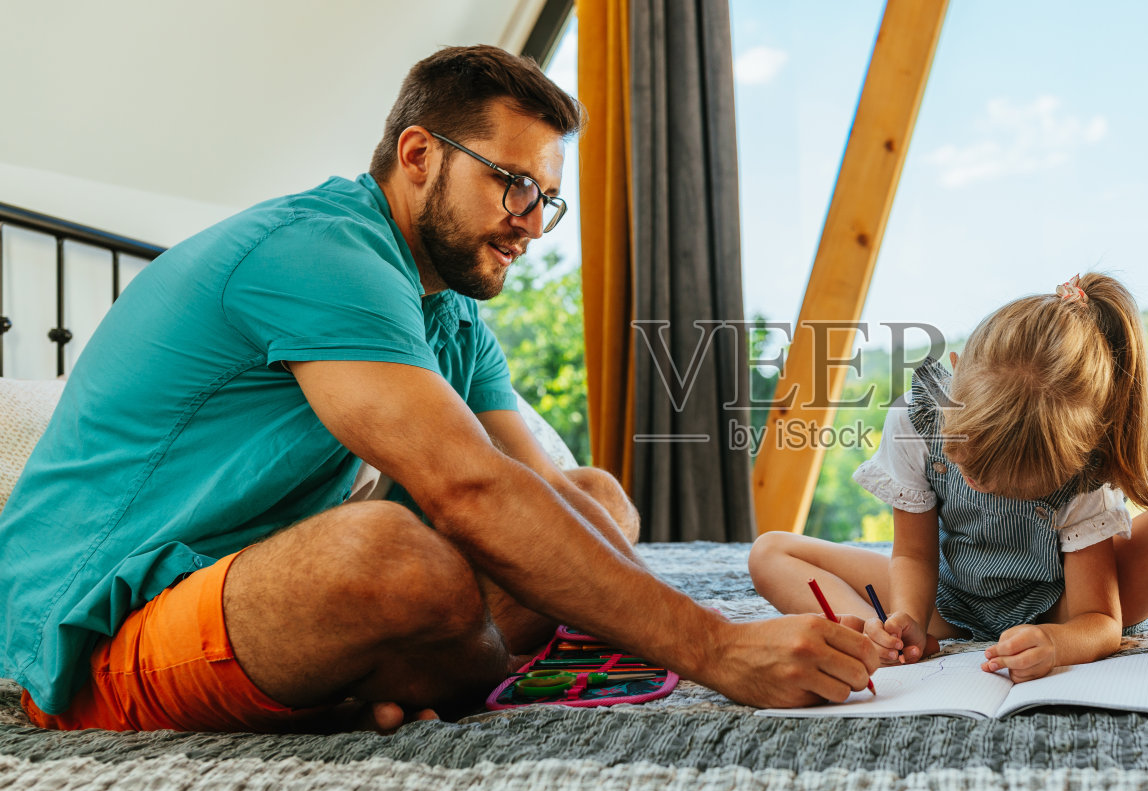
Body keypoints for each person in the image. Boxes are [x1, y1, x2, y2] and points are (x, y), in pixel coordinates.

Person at [0, 44, 875, 733]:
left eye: (547, 200)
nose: (532, 223)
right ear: (418, 154)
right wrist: (714, 645)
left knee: (595, 500)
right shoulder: (318, 254)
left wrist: (625, 591)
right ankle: (415, 676)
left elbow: (538, 494)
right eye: (514, 183)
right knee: (385, 555)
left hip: (236, 593)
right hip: (95, 637)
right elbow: (468, 489)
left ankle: (404, 679)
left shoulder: (449, 313)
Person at [748, 274, 1148, 697]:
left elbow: (1102, 622)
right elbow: (914, 553)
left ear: (1069, 461)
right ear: (953, 377)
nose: (974, 482)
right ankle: (862, 645)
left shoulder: (1079, 469)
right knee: (771, 550)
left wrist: (1057, 642)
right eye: (966, 460)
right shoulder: (916, 418)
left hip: (1065, 601)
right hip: (950, 594)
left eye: (1007, 484)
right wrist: (905, 621)